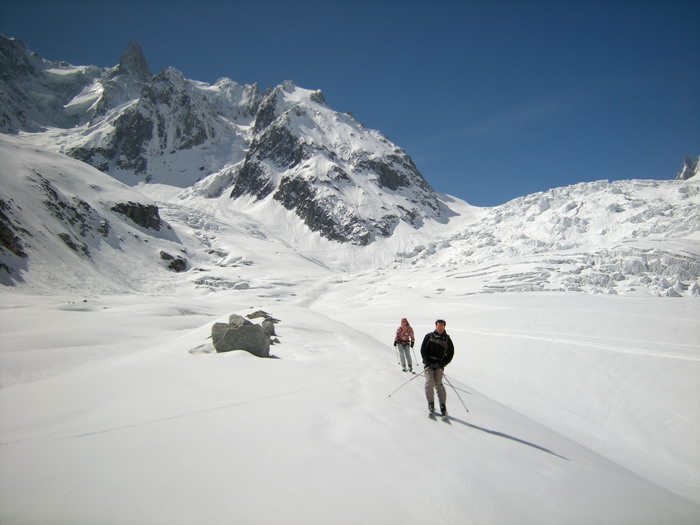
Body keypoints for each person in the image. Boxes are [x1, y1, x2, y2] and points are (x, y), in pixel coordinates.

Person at [420, 319, 454, 416]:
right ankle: (431, 404)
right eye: (438, 326)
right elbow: (423, 350)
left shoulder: (447, 339)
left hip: (439, 365)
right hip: (429, 364)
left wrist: (442, 364)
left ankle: (443, 405)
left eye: (442, 326)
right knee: (429, 382)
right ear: (436, 326)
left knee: (438, 384)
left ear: (444, 327)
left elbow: (451, 354)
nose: (440, 328)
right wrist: (427, 361)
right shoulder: (429, 336)